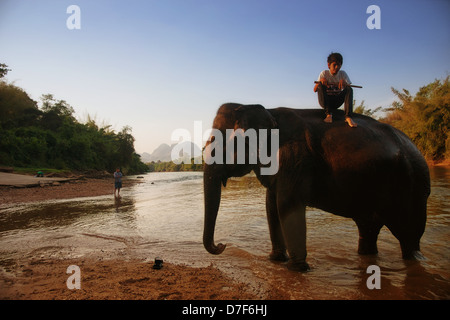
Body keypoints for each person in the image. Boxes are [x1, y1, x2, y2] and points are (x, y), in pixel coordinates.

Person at [314, 52, 357, 127]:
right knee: (320, 85)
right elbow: (315, 90)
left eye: (339, 65)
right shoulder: (324, 73)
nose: (337, 67)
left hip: (336, 101)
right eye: (334, 65)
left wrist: (345, 83)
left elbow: (349, 89)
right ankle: (328, 114)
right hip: (325, 101)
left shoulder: (342, 74)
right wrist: (320, 82)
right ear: (328, 65)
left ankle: (348, 117)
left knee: (349, 89)